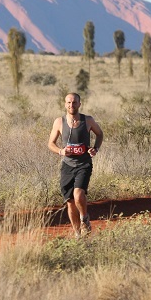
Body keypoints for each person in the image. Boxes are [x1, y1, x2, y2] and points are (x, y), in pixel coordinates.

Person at [48, 93, 103, 237]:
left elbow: (100, 134)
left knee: (78, 195)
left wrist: (95, 148)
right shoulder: (59, 122)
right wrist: (61, 151)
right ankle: (78, 235)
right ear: (65, 104)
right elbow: (50, 144)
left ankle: (85, 219)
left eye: (74, 102)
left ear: (79, 104)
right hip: (67, 166)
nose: (71, 105)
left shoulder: (88, 120)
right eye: (68, 103)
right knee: (70, 202)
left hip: (84, 164)